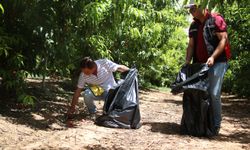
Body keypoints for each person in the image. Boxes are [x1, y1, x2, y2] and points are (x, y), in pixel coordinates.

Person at [184, 3, 231, 135]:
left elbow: (223, 39)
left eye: (193, 8)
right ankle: (202, 123)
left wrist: (213, 57)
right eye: (189, 9)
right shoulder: (193, 25)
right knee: (199, 92)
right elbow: (191, 45)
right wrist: (187, 61)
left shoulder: (216, 19)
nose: (191, 11)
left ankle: (216, 125)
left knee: (214, 93)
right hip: (200, 64)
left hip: (218, 61)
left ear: (202, 6)